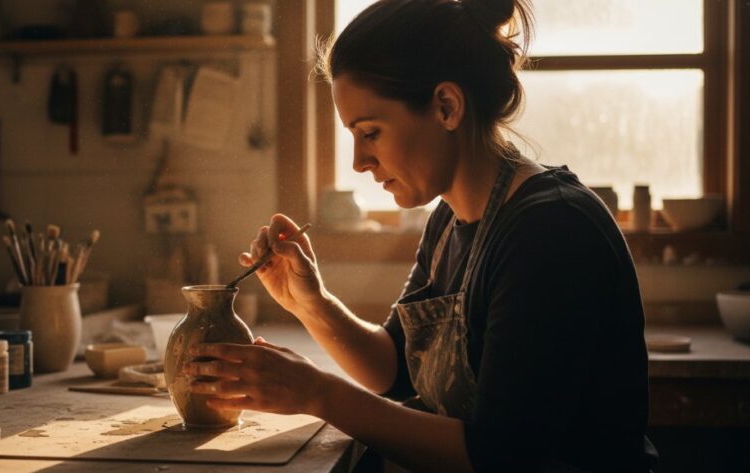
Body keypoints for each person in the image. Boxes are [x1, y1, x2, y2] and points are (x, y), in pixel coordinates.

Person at [182, 0, 659, 471]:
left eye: (370, 132)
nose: (358, 162)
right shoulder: (449, 218)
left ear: (446, 107)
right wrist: (310, 301)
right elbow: (392, 369)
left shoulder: (550, 232)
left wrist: (317, 392)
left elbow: (501, 456)